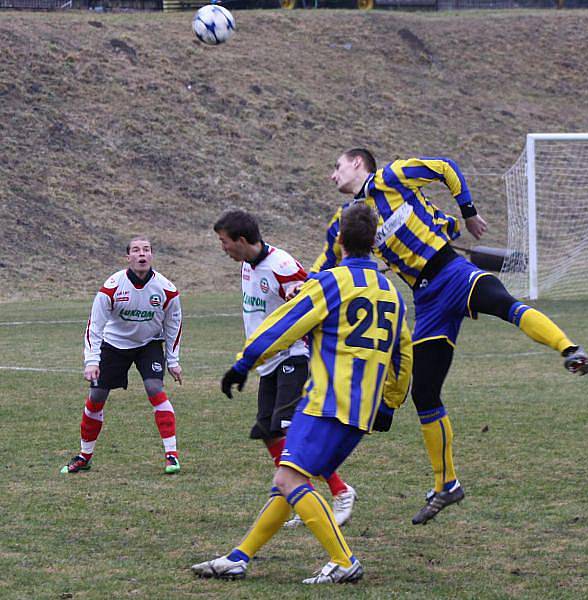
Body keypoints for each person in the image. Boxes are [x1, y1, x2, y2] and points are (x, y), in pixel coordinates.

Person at [305, 148, 588, 525]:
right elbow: (324, 264)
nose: (332, 176)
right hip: (427, 301)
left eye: (336, 166)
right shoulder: (344, 222)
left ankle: (569, 350)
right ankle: (447, 485)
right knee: (425, 394)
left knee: (505, 305)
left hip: (453, 273)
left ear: (358, 163)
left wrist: (468, 212)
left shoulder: (392, 177)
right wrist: (302, 284)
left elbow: (445, 168)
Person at [192, 203, 412, 584]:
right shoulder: (392, 293)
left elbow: (287, 323)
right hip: (361, 411)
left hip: (326, 402)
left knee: (290, 480)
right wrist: (390, 403)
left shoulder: (330, 281)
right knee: (289, 477)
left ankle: (344, 560)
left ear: (339, 241)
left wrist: (245, 362)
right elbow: (403, 353)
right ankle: (239, 557)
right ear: (374, 245)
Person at [212, 209, 357, 526]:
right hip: (268, 361)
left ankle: (341, 491)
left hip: (294, 355)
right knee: (268, 431)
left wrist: (297, 291)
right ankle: (299, 494)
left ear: (240, 239)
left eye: (224, 242)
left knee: (294, 434)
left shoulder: (282, 266)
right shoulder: (248, 267)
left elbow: (310, 300)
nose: (222, 248)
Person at [61, 236, 184, 475]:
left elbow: (174, 323)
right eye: (136, 250)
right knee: (96, 395)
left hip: (148, 344)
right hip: (114, 344)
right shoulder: (113, 285)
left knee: (154, 389)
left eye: (146, 250)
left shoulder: (167, 289)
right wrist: (92, 360)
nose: (142, 254)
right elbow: (94, 325)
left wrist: (173, 360)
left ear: (151, 256)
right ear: (128, 257)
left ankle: (172, 456)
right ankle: (85, 456)